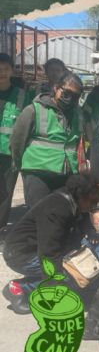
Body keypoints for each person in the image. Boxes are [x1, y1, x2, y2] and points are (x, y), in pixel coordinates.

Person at [2, 173, 99, 314]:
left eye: (97, 202)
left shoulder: (75, 204)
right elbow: (49, 252)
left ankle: (36, 280)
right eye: (91, 201)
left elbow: (75, 235)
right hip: (21, 254)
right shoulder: (56, 208)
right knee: (76, 274)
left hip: (40, 249)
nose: (93, 206)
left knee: (89, 264)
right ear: (80, 194)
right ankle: (20, 287)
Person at [10, 71, 84, 210]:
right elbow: (17, 142)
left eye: (75, 96)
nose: (70, 99)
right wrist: (23, 166)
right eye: (67, 93)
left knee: (61, 216)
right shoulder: (33, 110)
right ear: (56, 88)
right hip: (38, 172)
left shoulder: (78, 116)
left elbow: (74, 145)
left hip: (66, 174)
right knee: (40, 215)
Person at [0, 53, 32, 230]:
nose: (2, 73)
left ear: (13, 71)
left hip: (10, 151)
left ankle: (1, 227)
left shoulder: (23, 96)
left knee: (5, 192)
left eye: (6, 69)